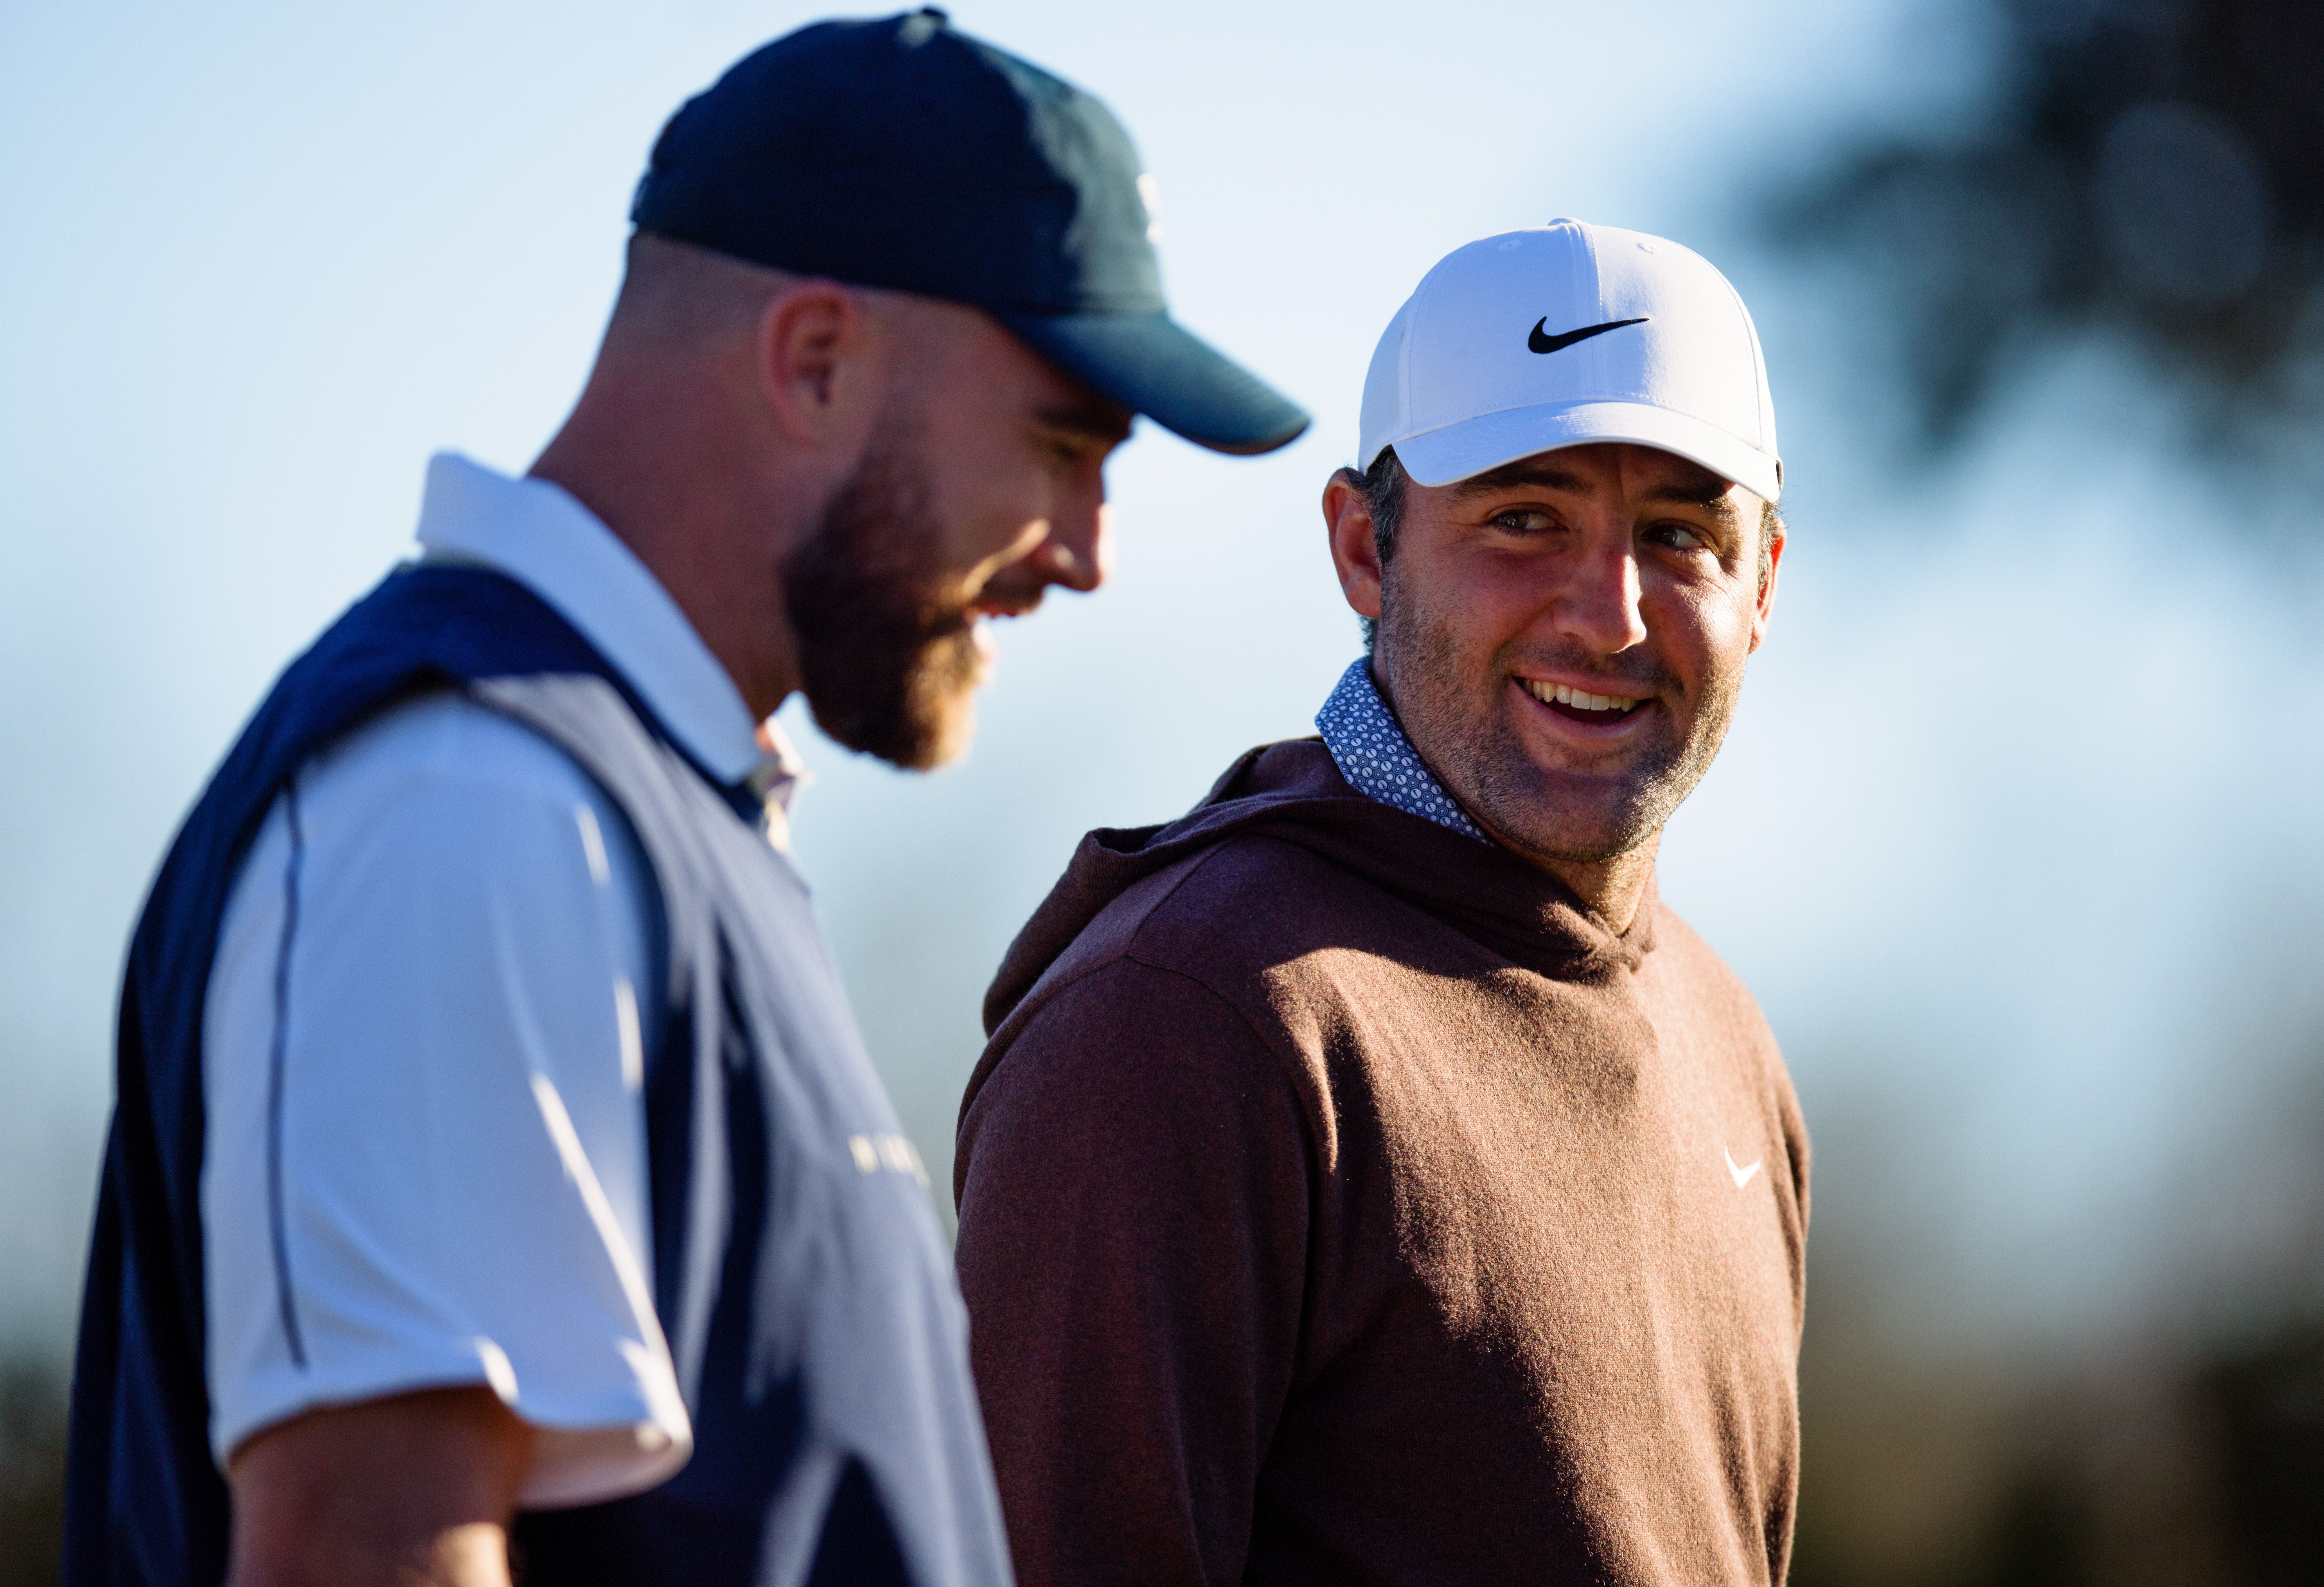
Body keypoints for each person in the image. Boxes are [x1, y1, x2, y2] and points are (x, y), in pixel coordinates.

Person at [62, 12, 1306, 1587]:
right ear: (815, 360)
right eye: (1062, 445)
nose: (1087, 549)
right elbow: (371, 1545)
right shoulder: (476, 798)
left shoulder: (619, 798)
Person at [952, 219, 1805, 1586]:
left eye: (1677, 536)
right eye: (1523, 519)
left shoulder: (1726, 1036)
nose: (1610, 615)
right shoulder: (1189, 1016)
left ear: (1758, 584)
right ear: (1364, 547)